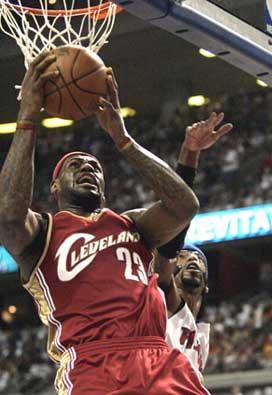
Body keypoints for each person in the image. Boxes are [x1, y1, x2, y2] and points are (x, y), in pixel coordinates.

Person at [0, 51, 209, 394]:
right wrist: (27, 118)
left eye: (95, 167)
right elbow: (7, 216)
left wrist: (123, 140)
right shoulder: (43, 232)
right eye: (75, 165)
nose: (88, 168)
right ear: (54, 187)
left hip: (160, 359)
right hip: (94, 366)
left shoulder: (132, 225)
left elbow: (185, 205)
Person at [153, 113, 233, 378]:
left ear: (207, 285)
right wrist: (189, 154)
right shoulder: (162, 303)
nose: (194, 262)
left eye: (199, 260)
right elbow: (176, 223)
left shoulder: (200, 336)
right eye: (185, 257)